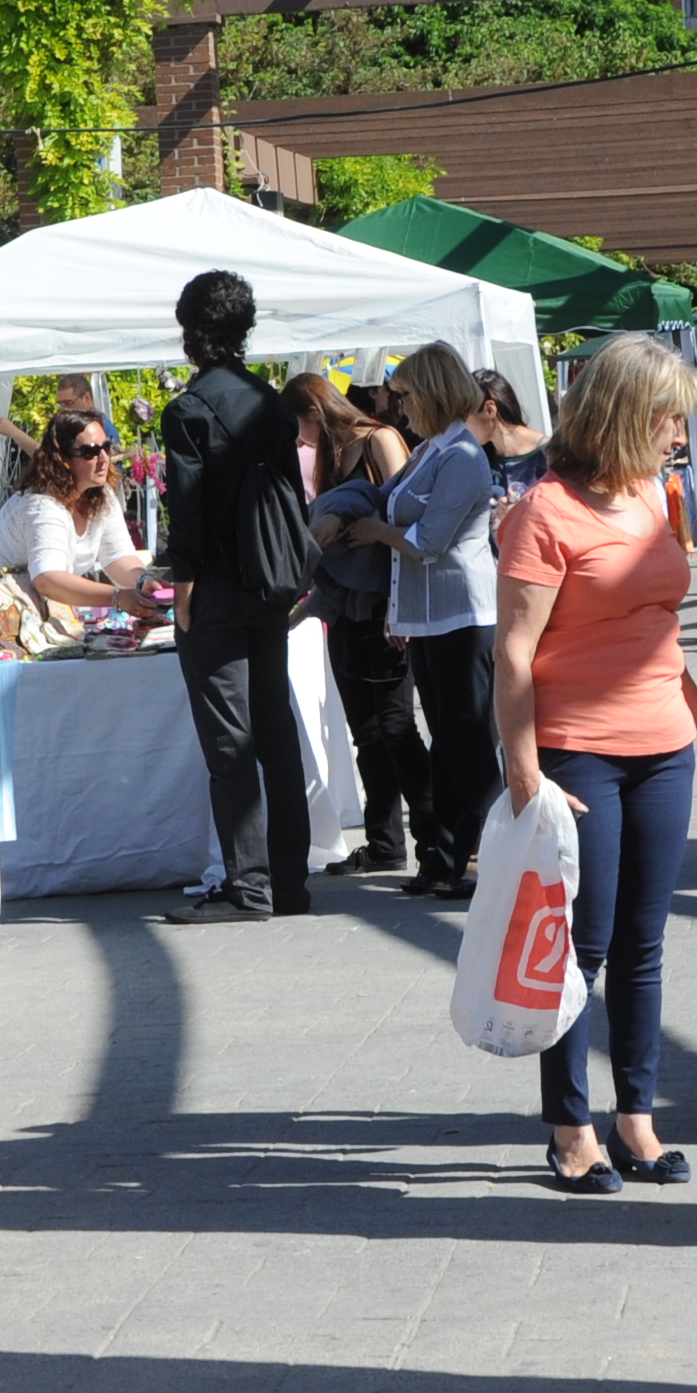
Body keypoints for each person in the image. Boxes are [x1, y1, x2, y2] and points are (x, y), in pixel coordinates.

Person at [497, 336, 697, 1194]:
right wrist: (526, 773)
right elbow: (514, 656)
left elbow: (655, 628)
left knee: (644, 943)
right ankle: (570, 1128)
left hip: (663, 751)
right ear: (621, 416)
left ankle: (635, 1117)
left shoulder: (649, 495)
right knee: (582, 949)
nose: (680, 433)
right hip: (579, 757)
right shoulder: (543, 512)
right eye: (667, 417)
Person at [156, 270, 316, 925]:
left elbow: (188, 513)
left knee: (230, 739)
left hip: (217, 586)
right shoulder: (272, 404)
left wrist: (182, 592)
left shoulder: (190, 409)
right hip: (272, 583)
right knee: (275, 729)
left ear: (190, 332)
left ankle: (248, 889)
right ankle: (289, 885)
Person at [340, 344, 503, 899]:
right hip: (432, 615)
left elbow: (429, 541)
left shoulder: (460, 454)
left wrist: (376, 532)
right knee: (447, 738)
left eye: (404, 395)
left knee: (467, 739)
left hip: (465, 612)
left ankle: (474, 857)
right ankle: (446, 855)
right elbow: (389, 503)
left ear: (431, 391)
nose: (397, 406)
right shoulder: (433, 448)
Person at [285, 372, 428, 879]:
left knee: (395, 725)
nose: (299, 438)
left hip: (386, 609)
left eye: (299, 424)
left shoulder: (379, 439)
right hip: (346, 610)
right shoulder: (331, 455)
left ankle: (436, 840)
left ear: (315, 411)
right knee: (367, 731)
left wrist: (401, 606)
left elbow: (405, 515)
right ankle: (384, 843)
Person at [0, 408, 154, 616]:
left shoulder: (103, 495)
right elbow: (47, 579)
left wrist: (143, 581)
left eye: (106, 447)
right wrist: (117, 597)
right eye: (90, 451)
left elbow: (117, 555)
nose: (103, 458)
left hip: (19, 606)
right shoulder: (42, 505)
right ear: (63, 459)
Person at [0, 374, 118, 459]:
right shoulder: (72, 427)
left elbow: (45, 458)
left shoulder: (101, 429)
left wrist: (14, 433)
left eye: (68, 403)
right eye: (60, 405)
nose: (63, 410)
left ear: (87, 398)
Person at [473, 368, 550, 496]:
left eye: (465, 417)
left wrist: (519, 511)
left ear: (490, 410)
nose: (462, 427)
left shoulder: (548, 453)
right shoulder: (480, 458)